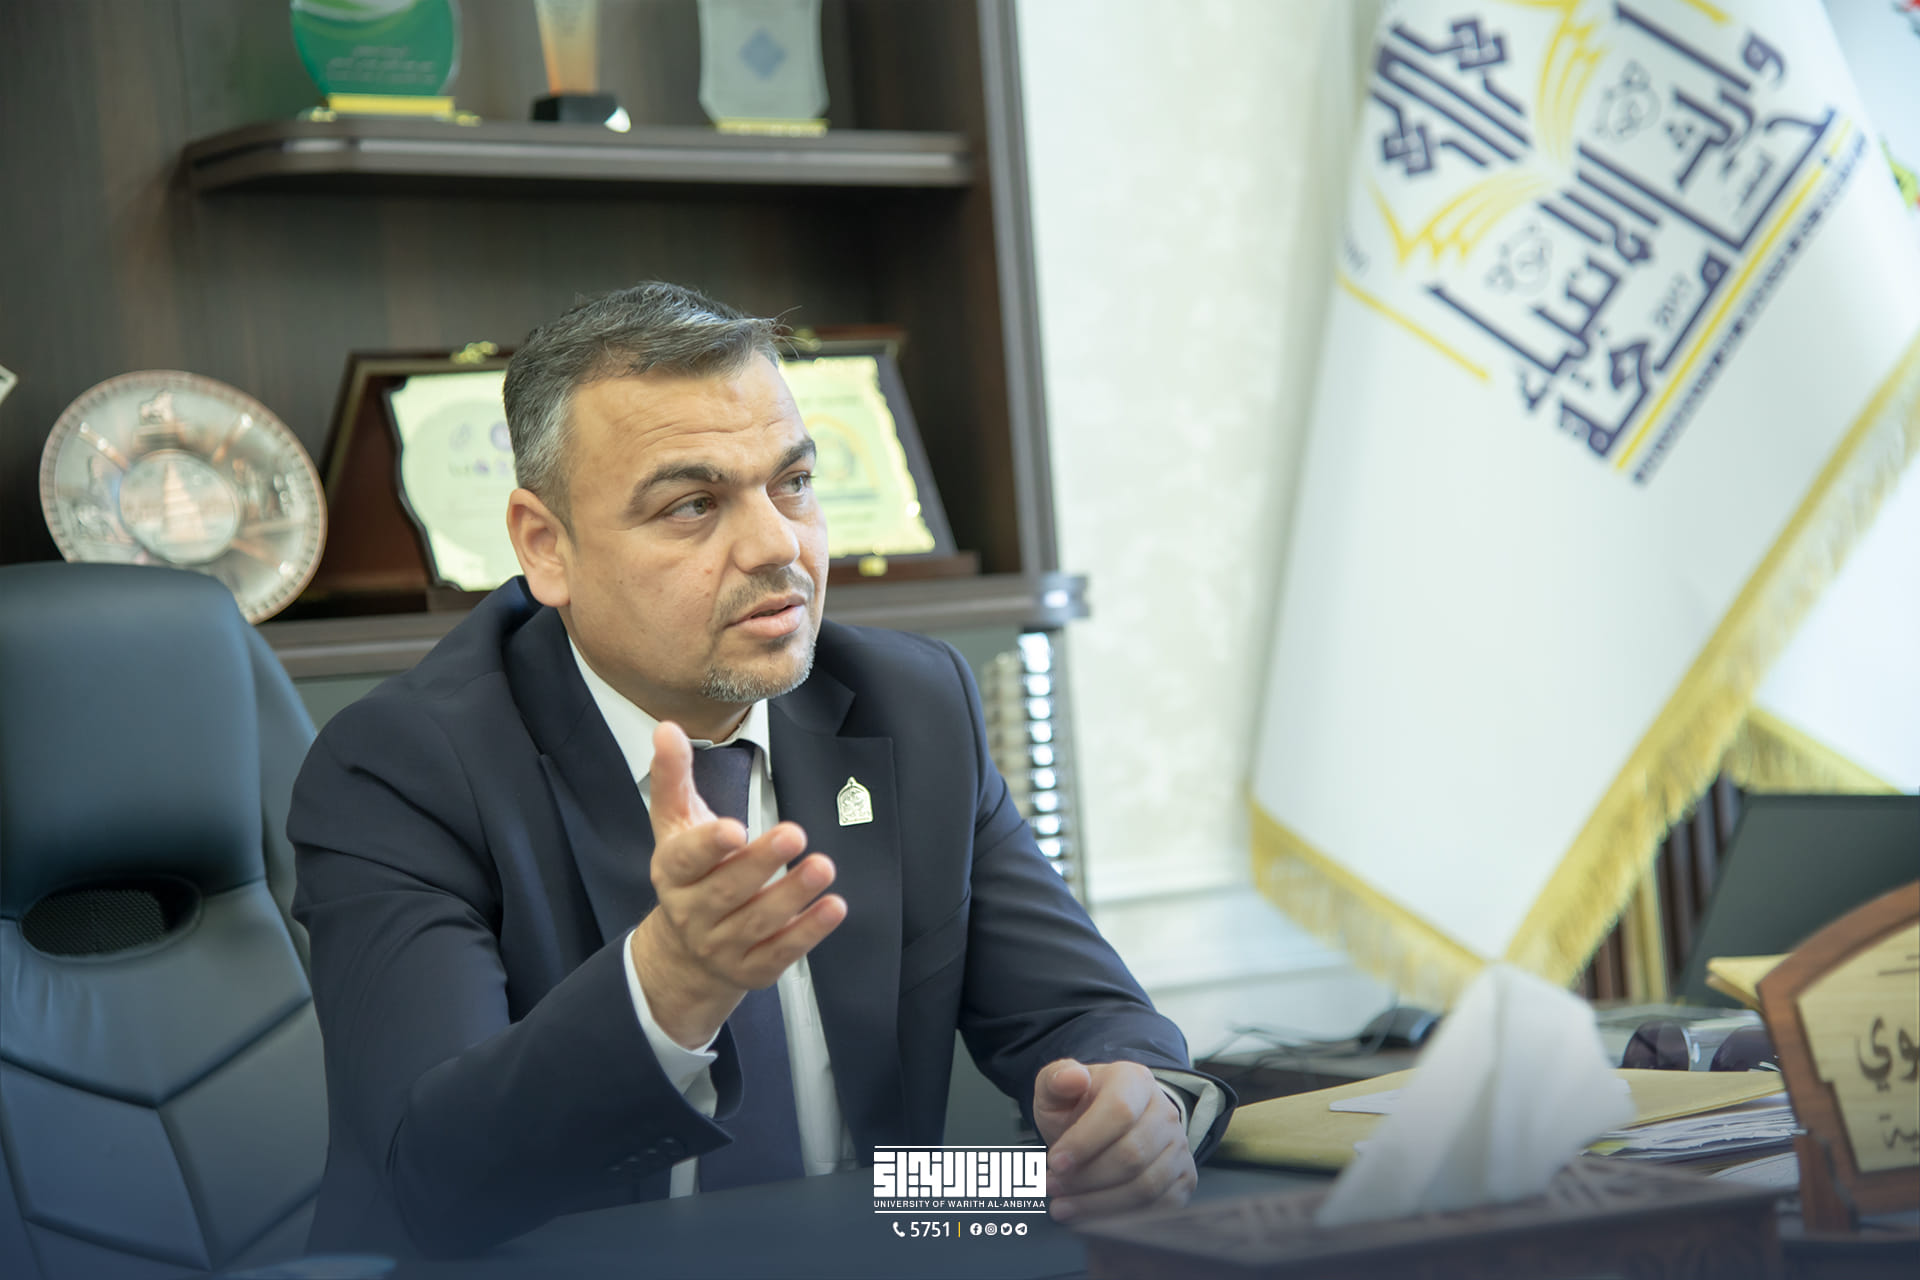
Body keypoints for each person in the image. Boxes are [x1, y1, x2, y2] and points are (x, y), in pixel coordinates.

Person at [289, 282, 1231, 1258]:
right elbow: (435, 1181)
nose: (779, 544)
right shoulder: (401, 766)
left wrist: (1138, 1112)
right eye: (693, 505)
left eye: (793, 482)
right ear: (546, 546)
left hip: (876, 1233)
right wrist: (670, 983)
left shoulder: (911, 705)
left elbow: (1084, 1018)